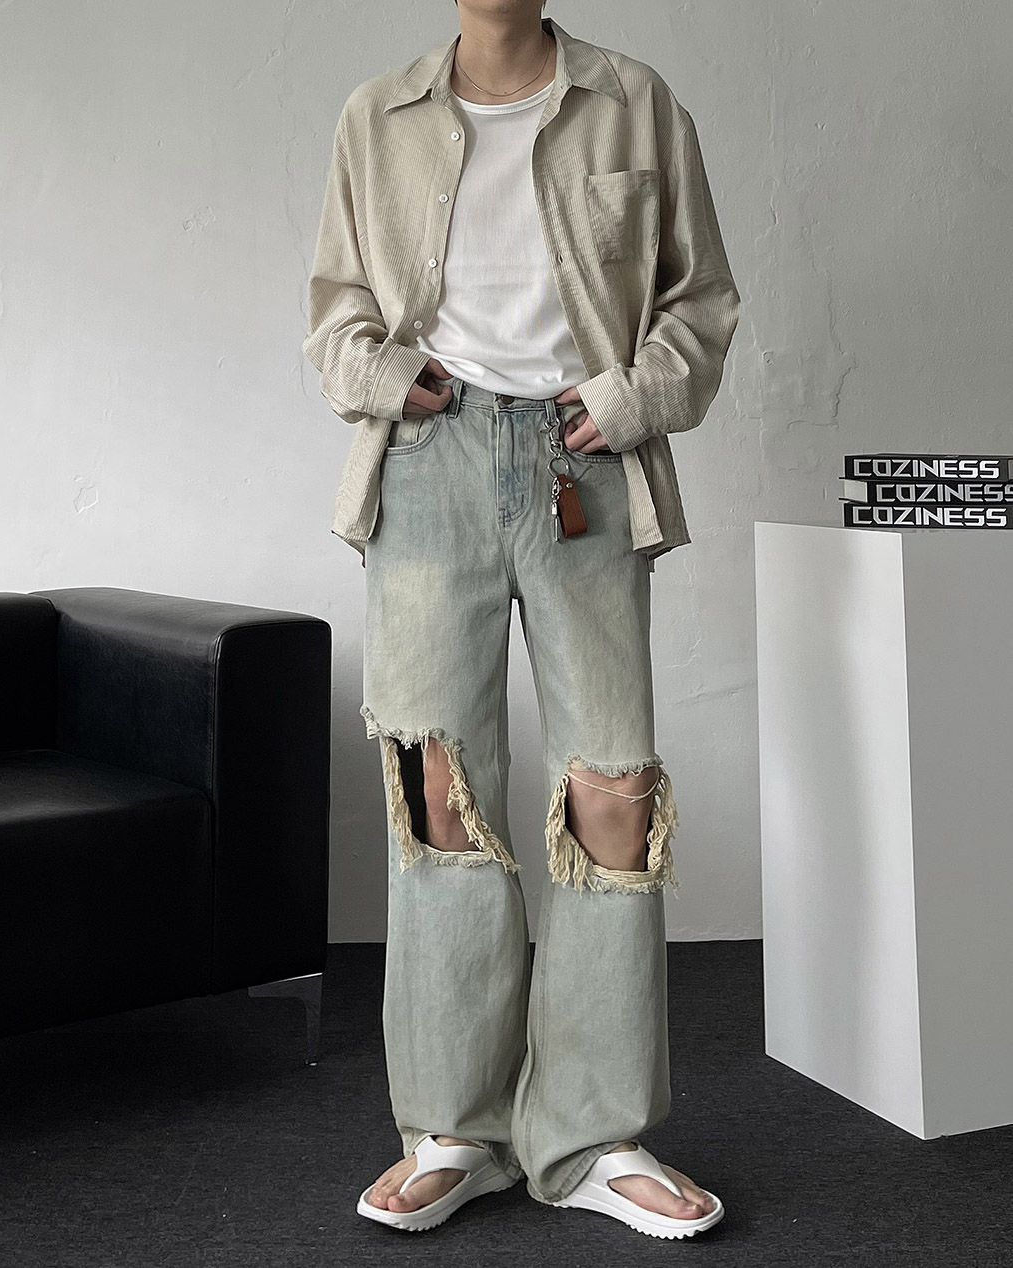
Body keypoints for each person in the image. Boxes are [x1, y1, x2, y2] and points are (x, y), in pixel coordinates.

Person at [302, 0, 740, 1241]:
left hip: (584, 461)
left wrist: (633, 396)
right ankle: (454, 1128)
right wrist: (388, 373)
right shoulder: (376, 118)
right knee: (439, 791)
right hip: (425, 468)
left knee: (613, 791)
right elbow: (333, 312)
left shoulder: (635, 103)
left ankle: (598, 1132)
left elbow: (700, 298)